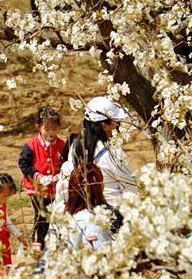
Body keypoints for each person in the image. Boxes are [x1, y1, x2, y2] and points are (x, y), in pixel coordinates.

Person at [55, 96, 135, 236]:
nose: (118, 125)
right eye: (115, 122)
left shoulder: (75, 145)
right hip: (112, 220)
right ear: (104, 125)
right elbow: (130, 190)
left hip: (82, 215)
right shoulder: (114, 153)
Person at [18, 107, 65, 251]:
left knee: (55, 212)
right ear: (38, 127)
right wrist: (37, 175)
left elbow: (65, 162)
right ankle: (38, 241)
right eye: (47, 129)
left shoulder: (62, 145)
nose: (51, 133)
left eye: (54, 129)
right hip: (36, 187)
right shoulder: (31, 145)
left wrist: (60, 175)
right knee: (42, 213)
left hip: (54, 186)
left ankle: (54, 240)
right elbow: (23, 164)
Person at [64, 162, 112, 249]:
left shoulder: (64, 217)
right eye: (101, 182)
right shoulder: (93, 223)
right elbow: (105, 256)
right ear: (97, 188)